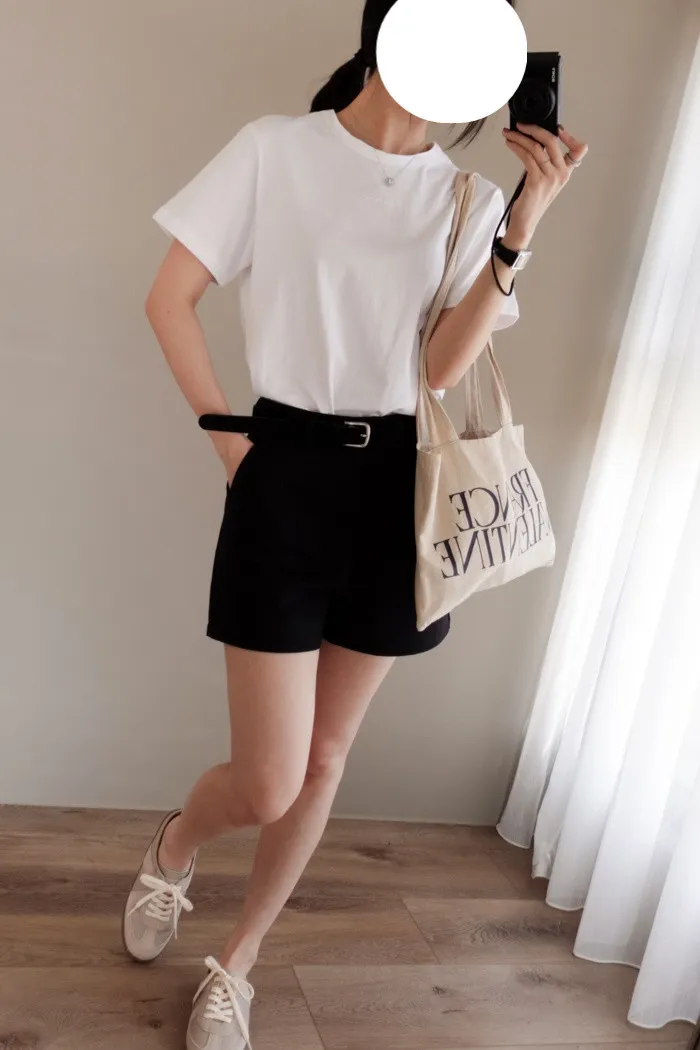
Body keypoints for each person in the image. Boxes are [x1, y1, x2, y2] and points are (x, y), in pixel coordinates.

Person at [124, 2, 588, 1047]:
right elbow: (169, 297)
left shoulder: (467, 197)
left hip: (400, 493)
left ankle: (238, 962)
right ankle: (175, 846)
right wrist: (234, 448)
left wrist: (521, 226)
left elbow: (439, 370)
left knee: (326, 759)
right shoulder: (275, 150)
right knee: (267, 779)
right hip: (284, 472)